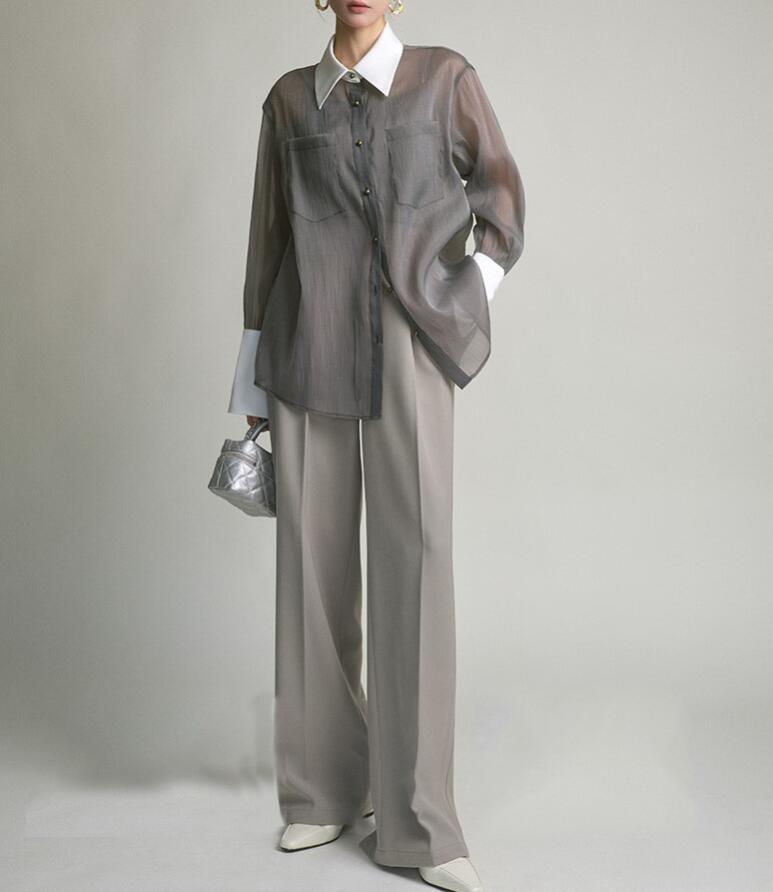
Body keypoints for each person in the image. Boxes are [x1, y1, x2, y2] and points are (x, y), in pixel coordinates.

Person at [226, 2, 525, 890]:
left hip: (409, 343)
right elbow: (267, 245)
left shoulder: (443, 79)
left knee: (416, 557)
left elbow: (500, 203)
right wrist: (248, 396)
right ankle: (321, 791)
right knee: (310, 568)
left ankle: (420, 823)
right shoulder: (288, 101)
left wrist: (457, 301)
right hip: (304, 341)